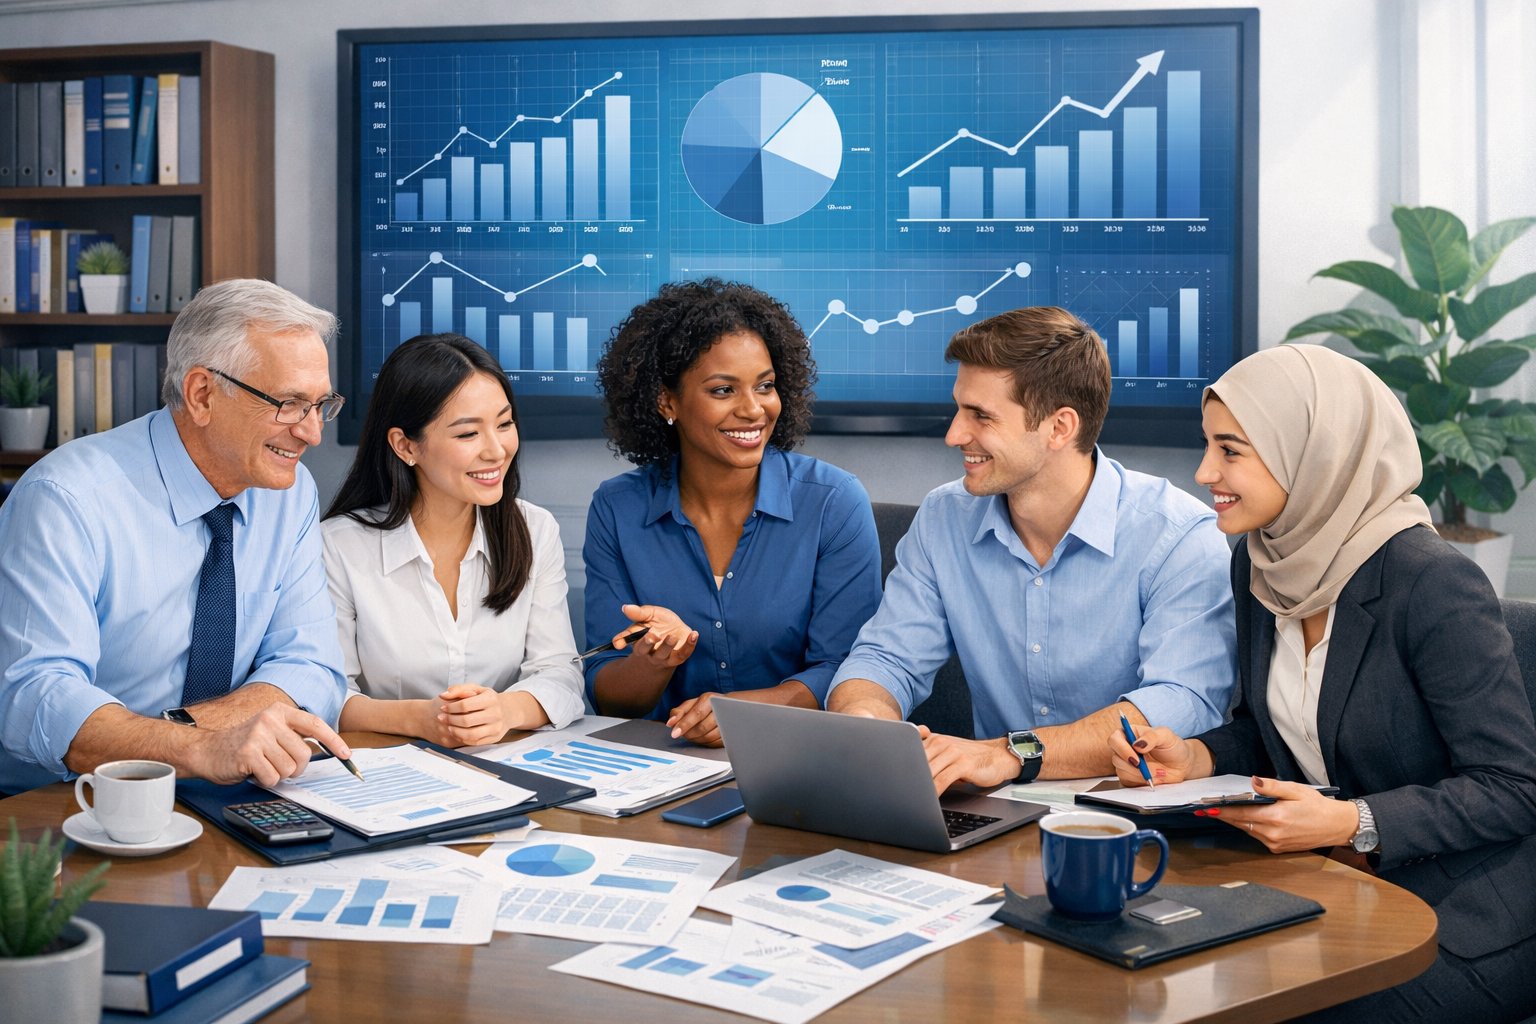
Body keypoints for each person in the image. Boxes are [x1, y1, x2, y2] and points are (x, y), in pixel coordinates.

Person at [1110, 344, 1536, 1021]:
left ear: (1310, 454)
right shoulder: (1260, 562)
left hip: (1462, 906)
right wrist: (1196, 756)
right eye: (1207, 447)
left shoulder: (1430, 582)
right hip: (1335, 882)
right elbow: (1270, 728)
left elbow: (1514, 789)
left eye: (1230, 451)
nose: (1204, 472)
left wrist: (1353, 822)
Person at [827, 305, 1236, 789]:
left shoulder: (1180, 537)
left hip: (1136, 819)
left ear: (1060, 428)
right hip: (996, 808)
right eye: (959, 409)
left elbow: (1181, 700)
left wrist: (1012, 754)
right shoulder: (943, 519)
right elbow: (886, 657)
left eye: (980, 416)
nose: (954, 435)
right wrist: (866, 720)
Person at [0, 279, 352, 794]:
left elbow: (311, 667)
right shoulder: (65, 498)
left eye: (321, 404)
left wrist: (192, 736)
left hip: (227, 791)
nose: (312, 432)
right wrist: (197, 748)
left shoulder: (288, 492)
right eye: (291, 404)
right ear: (202, 394)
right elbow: (36, 699)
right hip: (65, 806)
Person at [583, 278, 883, 746]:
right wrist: (656, 660)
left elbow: (849, 671)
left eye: (765, 386)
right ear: (667, 401)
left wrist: (745, 711)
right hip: (665, 767)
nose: (754, 410)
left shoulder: (832, 501)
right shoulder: (617, 508)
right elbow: (611, 700)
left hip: (804, 758)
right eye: (723, 390)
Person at [322, 333, 582, 746]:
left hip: (505, 766)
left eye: (505, 423)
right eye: (467, 434)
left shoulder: (535, 529)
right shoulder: (338, 546)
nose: (497, 451)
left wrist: (504, 710)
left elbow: (560, 673)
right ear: (405, 445)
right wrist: (424, 719)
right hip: (384, 776)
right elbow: (325, 696)